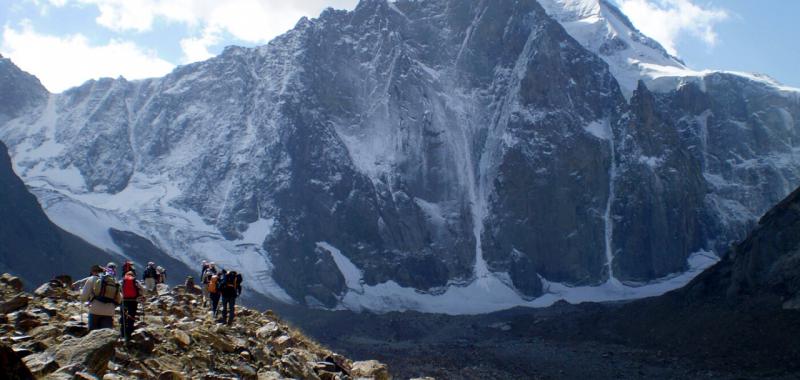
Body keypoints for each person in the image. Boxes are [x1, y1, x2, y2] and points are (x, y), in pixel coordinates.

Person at [79, 264, 122, 331]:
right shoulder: (113, 280)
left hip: (95, 310)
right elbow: (119, 300)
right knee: (106, 335)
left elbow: (84, 297)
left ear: (93, 272)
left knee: (93, 334)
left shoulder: (92, 279)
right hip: (109, 312)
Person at [120, 271, 143, 341]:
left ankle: (122, 334)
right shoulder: (135, 281)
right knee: (131, 316)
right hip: (133, 301)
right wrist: (140, 295)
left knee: (123, 316)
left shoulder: (122, 281)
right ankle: (129, 334)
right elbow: (143, 290)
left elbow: (118, 289)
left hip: (124, 301)